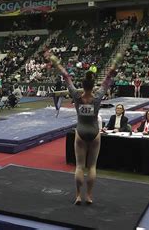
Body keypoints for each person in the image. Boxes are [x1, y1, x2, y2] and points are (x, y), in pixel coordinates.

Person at [46, 49, 122, 205]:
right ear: (93, 85)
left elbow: (66, 77)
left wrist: (55, 61)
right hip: (94, 132)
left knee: (79, 166)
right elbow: (108, 78)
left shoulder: (76, 95)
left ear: (82, 85)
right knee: (92, 166)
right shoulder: (98, 96)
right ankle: (89, 195)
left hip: (80, 132)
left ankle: (78, 195)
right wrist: (116, 62)